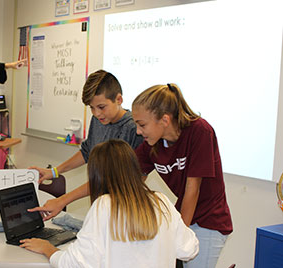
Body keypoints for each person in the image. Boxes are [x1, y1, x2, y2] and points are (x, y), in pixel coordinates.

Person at [20, 139, 199, 267]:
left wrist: (48, 249)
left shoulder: (105, 205)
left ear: (97, 175)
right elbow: (189, 249)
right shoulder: (161, 201)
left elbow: (75, 264)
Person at [132, 83, 233, 268]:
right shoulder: (151, 143)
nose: (139, 131)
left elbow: (192, 189)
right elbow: (132, 177)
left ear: (164, 120)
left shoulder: (200, 132)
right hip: (182, 217)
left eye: (142, 125)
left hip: (208, 221)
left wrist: (180, 235)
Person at [29, 70, 143, 219]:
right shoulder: (99, 119)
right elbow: (87, 152)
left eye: (101, 107)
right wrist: (55, 172)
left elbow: (107, 179)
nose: (96, 113)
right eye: (91, 108)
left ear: (119, 99)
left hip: (123, 210)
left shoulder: (132, 129)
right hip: (101, 205)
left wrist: (62, 200)